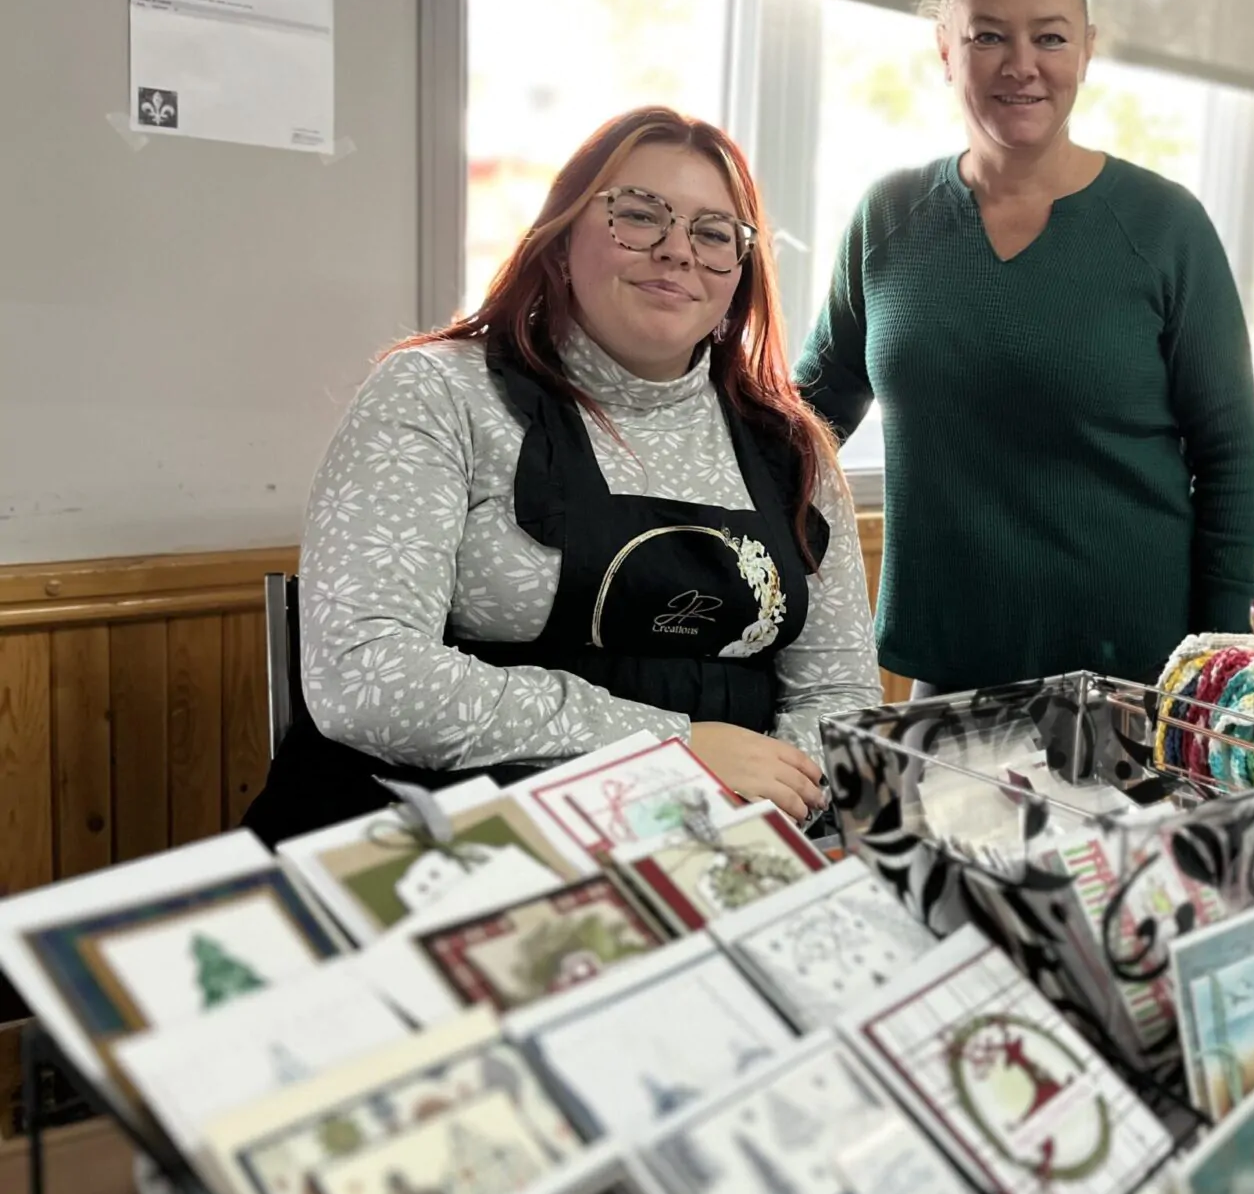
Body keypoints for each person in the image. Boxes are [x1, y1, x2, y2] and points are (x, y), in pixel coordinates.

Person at [244, 107, 880, 844]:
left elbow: (839, 702)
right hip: (447, 838)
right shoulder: (438, 393)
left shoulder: (792, 448)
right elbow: (367, 678)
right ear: (560, 239)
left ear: (739, 278)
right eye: (639, 216)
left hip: (710, 845)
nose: (678, 250)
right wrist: (672, 751)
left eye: (714, 235)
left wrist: (764, 806)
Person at [795, 0, 1254, 697]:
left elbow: (1232, 462)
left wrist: (1216, 664)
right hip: (945, 671)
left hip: (1135, 678)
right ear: (946, 50)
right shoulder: (887, 219)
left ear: (1085, 50)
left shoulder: (1164, 227)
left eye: (1049, 37)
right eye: (988, 36)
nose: (1022, 65)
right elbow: (807, 416)